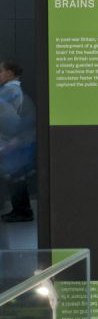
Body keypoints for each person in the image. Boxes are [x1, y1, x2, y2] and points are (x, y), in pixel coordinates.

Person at [0, 60, 35, 222]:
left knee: (15, 178)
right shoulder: (14, 90)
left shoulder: (9, 91)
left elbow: (9, 119)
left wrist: (10, 141)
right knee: (17, 177)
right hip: (14, 142)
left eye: (1, 71)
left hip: (9, 142)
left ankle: (22, 211)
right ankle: (22, 210)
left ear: (9, 73)